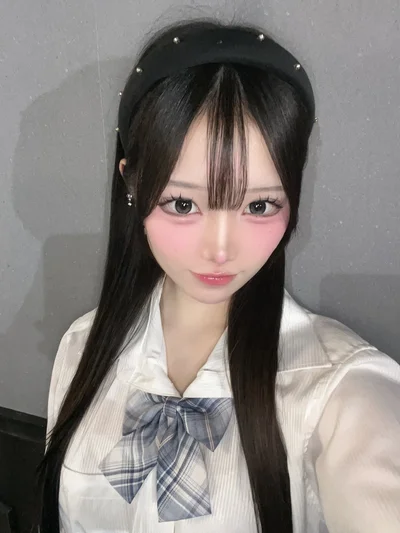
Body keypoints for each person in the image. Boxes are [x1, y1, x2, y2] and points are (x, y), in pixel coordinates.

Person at [34, 18, 400, 533]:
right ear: (132, 184)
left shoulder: (336, 389)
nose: (221, 250)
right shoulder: (80, 348)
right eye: (183, 204)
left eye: (259, 205)